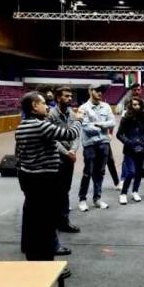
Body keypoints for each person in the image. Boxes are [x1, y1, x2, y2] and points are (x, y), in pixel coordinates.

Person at [15, 91, 82, 277]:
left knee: (33, 222)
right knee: (46, 224)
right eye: (43, 103)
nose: (47, 106)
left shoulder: (22, 126)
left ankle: (34, 260)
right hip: (44, 180)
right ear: (34, 106)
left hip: (29, 179)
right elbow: (69, 133)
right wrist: (78, 119)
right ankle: (47, 267)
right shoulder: (40, 126)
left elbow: (19, 156)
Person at [47, 86, 80, 233]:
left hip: (69, 157)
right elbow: (51, 138)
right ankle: (53, 221)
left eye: (71, 96)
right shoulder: (50, 115)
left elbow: (76, 133)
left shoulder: (72, 113)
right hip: (55, 157)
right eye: (66, 96)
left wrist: (73, 150)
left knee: (65, 189)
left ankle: (63, 221)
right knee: (55, 190)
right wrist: (66, 152)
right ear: (58, 98)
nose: (70, 98)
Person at [78, 84, 116, 212]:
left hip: (104, 144)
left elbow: (113, 122)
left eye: (102, 91)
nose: (100, 93)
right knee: (88, 172)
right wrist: (104, 127)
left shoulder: (106, 106)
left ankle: (97, 199)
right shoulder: (83, 108)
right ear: (90, 91)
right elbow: (86, 127)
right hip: (90, 144)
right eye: (97, 90)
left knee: (100, 172)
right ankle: (82, 199)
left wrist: (98, 124)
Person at [117, 97, 144, 204]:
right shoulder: (126, 118)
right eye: (134, 104)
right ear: (130, 106)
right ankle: (123, 193)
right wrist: (129, 142)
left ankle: (135, 191)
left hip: (142, 149)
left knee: (139, 172)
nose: (137, 106)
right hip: (130, 149)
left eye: (138, 104)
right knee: (131, 171)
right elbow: (119, 134)